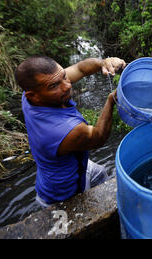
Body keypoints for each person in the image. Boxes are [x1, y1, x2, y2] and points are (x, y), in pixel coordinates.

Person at [15, 56, 126, 207]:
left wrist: (103, 63)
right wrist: (110, 101)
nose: (67, 86)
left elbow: (80, 68)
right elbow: (99, 137)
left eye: (64, 76)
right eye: (54, 86)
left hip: (72, 167)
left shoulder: (33, 94)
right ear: (33, 95)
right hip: (63, 194)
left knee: (99, 172)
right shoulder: (64, 131)